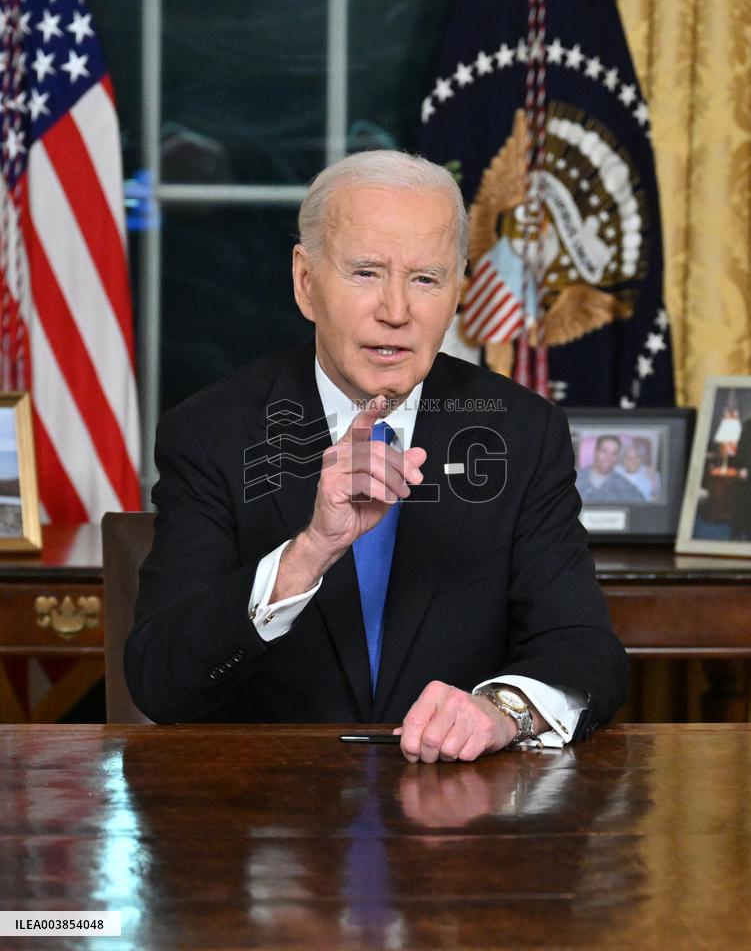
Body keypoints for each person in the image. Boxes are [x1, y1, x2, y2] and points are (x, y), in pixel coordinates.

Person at [126, 150, 627, 762]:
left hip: (461, 825)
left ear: (459, 291)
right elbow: (158, 680)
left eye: (425, 279)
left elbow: (584, 649)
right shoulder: (210, 434)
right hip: (264, 818)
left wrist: (502, 712)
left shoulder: (523, 433)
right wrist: (308, 552)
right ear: (306, 283)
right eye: (366, 272)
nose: (396, 311)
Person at [576, 435, 645, 504]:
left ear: (617, 457)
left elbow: (643, 506)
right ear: (596, 452)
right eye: (604, 451)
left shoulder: (624, 486)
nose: (608, 458)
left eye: (614, 453)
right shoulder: (575, 479)